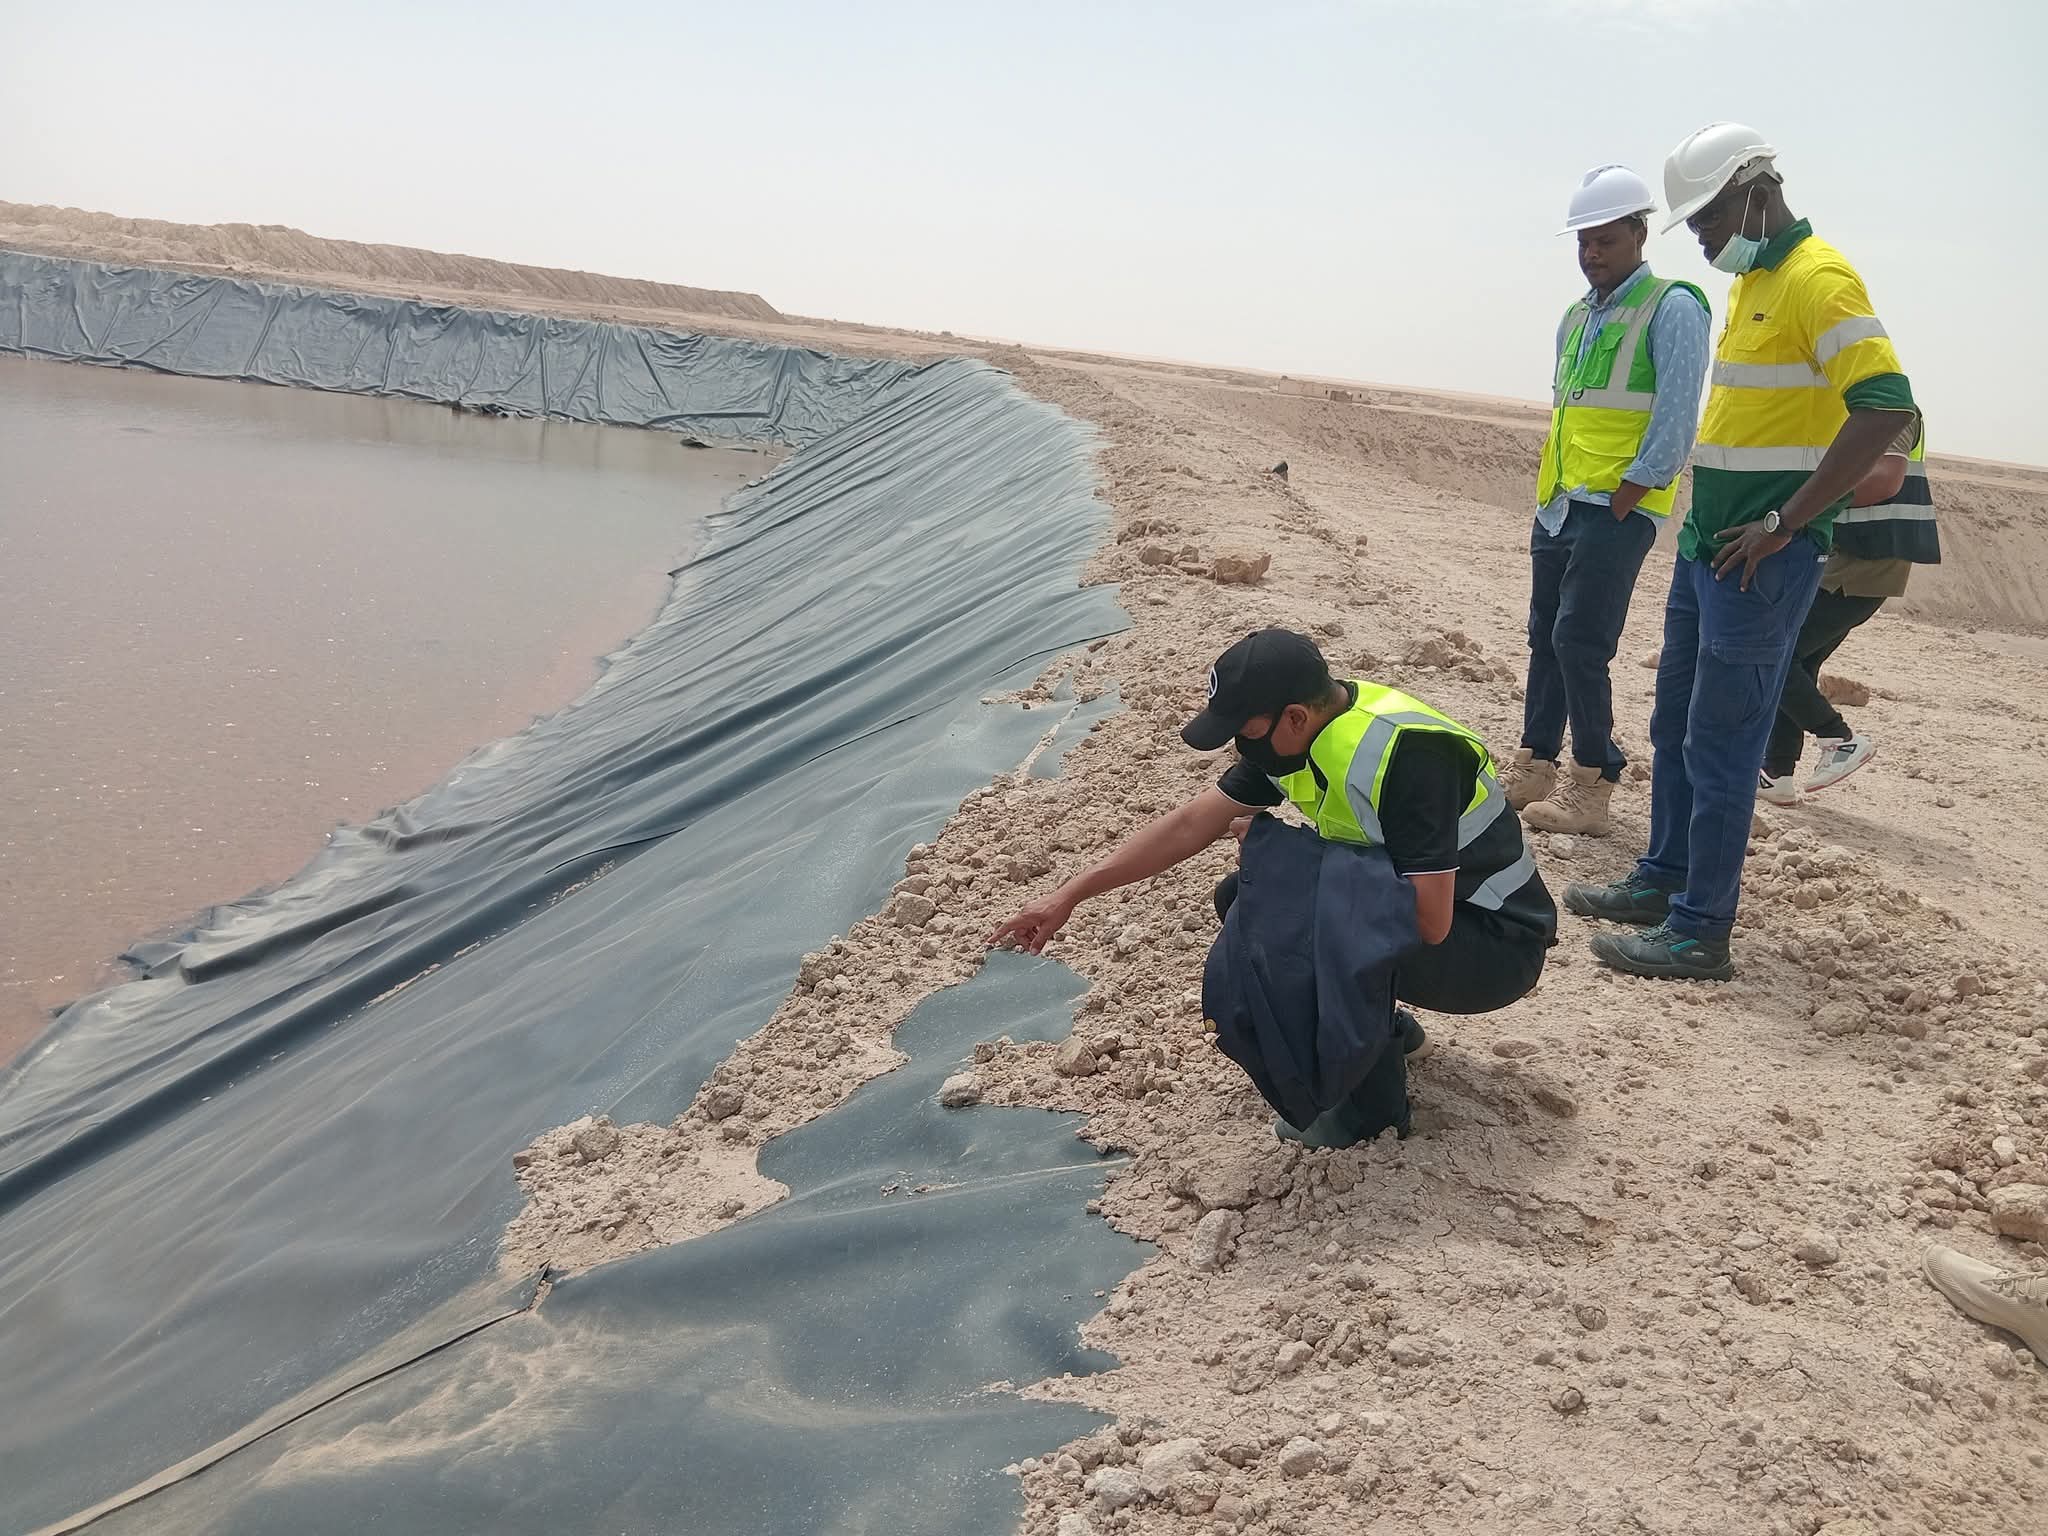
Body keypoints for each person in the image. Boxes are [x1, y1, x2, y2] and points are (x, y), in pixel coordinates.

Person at [1567, 123, 1918, 981]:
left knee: (1724, 741)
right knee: (1677, 723)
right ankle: (1665, 877)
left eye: (1710, 219)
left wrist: (1787, 521)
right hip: (1708, 549)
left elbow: (1886, 407)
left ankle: (1700, 930)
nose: (1702, 238)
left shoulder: (1818, 278)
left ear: (1757, 192)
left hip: (1763, 561)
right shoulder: (1756, 282)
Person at [990, 629, 1558, 1111]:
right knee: (1244, 898)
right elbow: (1191, 825)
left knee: (1293, 910)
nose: (1241, 747)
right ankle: (1383, 1032)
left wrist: (1285, 853)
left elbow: (1430, 922)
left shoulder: (1407, 757)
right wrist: (1069, 895)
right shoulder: (1300, 738)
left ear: (1295, 716)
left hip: (1494, 947)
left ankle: (1367, 1108)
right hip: (1439, 923)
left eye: (1245, 731)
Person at [1509, 165, 1711, 838]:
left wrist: (1630, 495)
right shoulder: (1576, 317)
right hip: (1560, 502)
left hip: (1616, 507)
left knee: (1580, 641)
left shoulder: (1672, 306)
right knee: (1545, 637)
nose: (1592, 253)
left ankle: (1593, 782)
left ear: (1639, 234)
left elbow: (1676, 418)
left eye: (1606, 240)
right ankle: (1535, 763)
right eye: (1584, 242)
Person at [1758, 416, 1936, 805]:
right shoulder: (1852, 410)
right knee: (1799, 659)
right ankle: (1777, 773)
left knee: (1772, 653)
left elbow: (1886, 478)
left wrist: (1802, 503)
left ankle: (1838, 739)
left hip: (1864, 560)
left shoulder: (1887, 407)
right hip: (1853, 557)